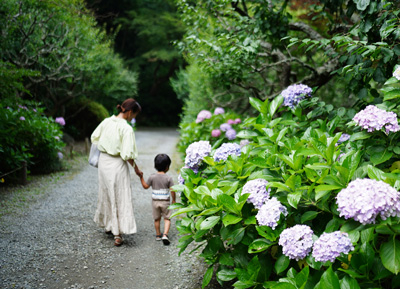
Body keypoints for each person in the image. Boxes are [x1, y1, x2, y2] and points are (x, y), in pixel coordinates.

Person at [90, 98, 143, 246]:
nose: (133, 118)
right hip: (117, 164)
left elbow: (94, 137)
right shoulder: (126, 128)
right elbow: (127, 155)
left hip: (103, 163)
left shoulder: (107, 121)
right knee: (119, 195)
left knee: (107, 193)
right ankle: (117, 233)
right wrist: (137, 169)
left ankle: (109, 226)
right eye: (134, 115)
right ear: (130, 112)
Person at [139, 154, 176, 245]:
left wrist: (141, 177)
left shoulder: (152, 177)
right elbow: (173, 191)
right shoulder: (169, 178)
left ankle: (158, 235)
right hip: (165, 202)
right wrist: (174, 200)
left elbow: (145, 186)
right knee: (167, 218)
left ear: (155, 165)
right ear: (167, 167)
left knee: (157, 219)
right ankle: (165, 235)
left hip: (155, 202)